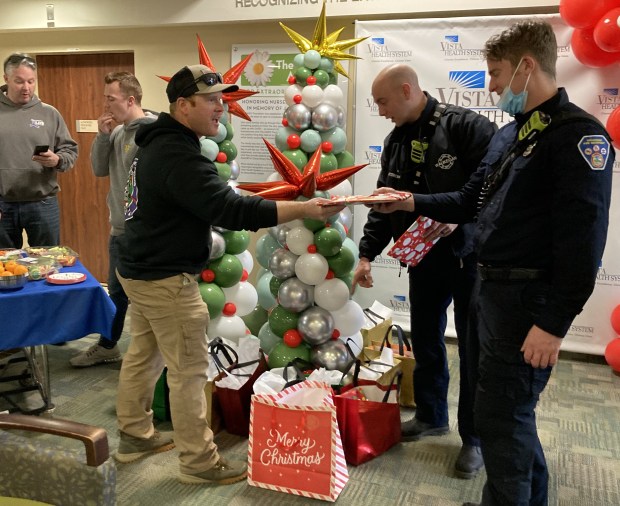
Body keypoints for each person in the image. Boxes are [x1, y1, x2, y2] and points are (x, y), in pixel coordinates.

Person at [367, 20, 614, 506]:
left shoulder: (577, 138)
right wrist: (408, 202)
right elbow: (466, 200)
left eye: (497, 73)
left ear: (526, 66)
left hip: (530, 305)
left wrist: (554, 322)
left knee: (502, 417)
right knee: (507, 413)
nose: (492, 86)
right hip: (493, 296)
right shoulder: (510, 137)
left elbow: (584, 241)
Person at [113, 64, 346, 485]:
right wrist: (305, 208)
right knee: (189, 370)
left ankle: (134, 435)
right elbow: (232, 210)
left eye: (223, 98)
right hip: (165, 278)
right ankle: (198, 463)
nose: (222, 107)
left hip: (139, 269)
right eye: (213, 100)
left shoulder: (154, 144)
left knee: (144, 353)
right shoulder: (178, 155)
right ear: (183, 106)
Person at [352, 63, 497, 479]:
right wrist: (366, 254)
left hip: (470, 261)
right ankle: (433, 415)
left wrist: (461, 220)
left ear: (406, 90)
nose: (380, 111)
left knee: (473, 351)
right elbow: (384, 205)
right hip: (423, 261)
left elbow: (491, 193)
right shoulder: (396, 139)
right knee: (427, 341)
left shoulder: (468, 128)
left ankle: (475, 439)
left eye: (383, 101)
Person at [70, 72, 157, 368]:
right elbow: (97, 169)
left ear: (130, 100)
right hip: (119, 230)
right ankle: (109, 346)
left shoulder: (153, 132)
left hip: (146, 233)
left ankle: (151, 357)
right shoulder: (117, 132)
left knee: (147, 298)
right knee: (116, 294)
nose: (105, 105)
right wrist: (102, 135)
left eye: (111, 99)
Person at [0, 53, 78, 248]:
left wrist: (57, 160)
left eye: (31, 81)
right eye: (19, 81)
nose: (26, 88)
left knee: (48, 264)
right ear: (6, 79)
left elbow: (70, 151)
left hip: (43, 203)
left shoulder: (49, 113)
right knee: (4, 268)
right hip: (3, 204)